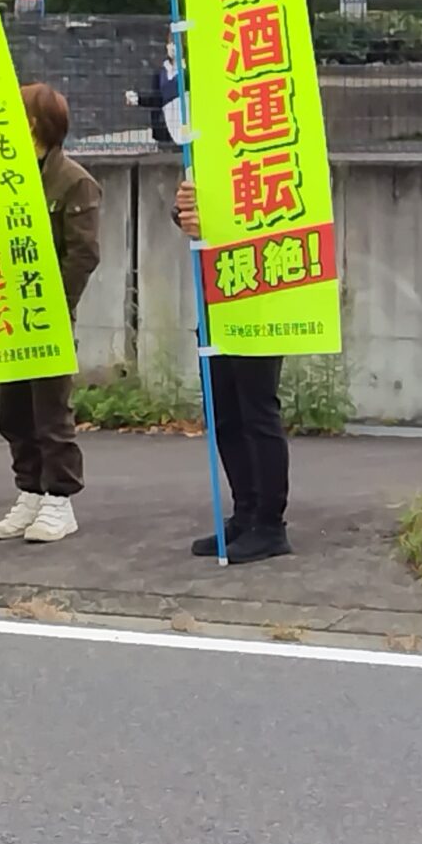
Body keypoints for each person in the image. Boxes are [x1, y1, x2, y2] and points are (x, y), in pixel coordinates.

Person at [0, 86, 101, 545]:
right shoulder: (5, 177)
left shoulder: (73, 181)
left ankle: (59, 500)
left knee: (51, 411)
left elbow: (83, 254)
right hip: (7, 310)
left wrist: (56, 305)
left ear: (33, 123)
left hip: (46, 314)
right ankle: (30, 491)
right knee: (12, 411)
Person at [175, 177, 291, 563]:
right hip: (220, 292)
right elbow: (201, 213)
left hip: (263, 294)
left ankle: (270, 526)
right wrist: (186, 210)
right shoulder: (212, 156)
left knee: (257, 411)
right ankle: (246, 515)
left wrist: (214, 221)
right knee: (224, 412)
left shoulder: (275, 154)